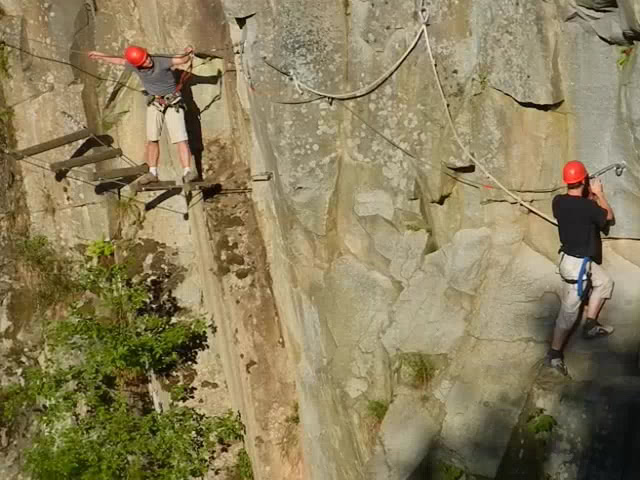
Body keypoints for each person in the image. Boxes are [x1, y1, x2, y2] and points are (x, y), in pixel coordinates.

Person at [87, 45, 198, 185]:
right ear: (138, 65)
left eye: (147, 57)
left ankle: (188, 171)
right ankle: (152, 173)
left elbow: (180, 60)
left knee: (181, 139)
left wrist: (187, 53)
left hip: (173, 102)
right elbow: (120, 61)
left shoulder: (159, 60)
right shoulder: (135, 66)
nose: (148, 61)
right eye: (144, 61)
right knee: (152, 140)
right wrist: (101, 56)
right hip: (155, 102)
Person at [546, 160, 615, 376]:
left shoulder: (557, 202)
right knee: (568, 314)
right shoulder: (589, 207)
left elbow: (575, 208)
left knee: (604, 282)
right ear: (584, 180)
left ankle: (590, 325)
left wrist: (587, 194)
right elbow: (608, 217)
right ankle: (555, 354)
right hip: (577, 268)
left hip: (572, 258)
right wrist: (599, 193)